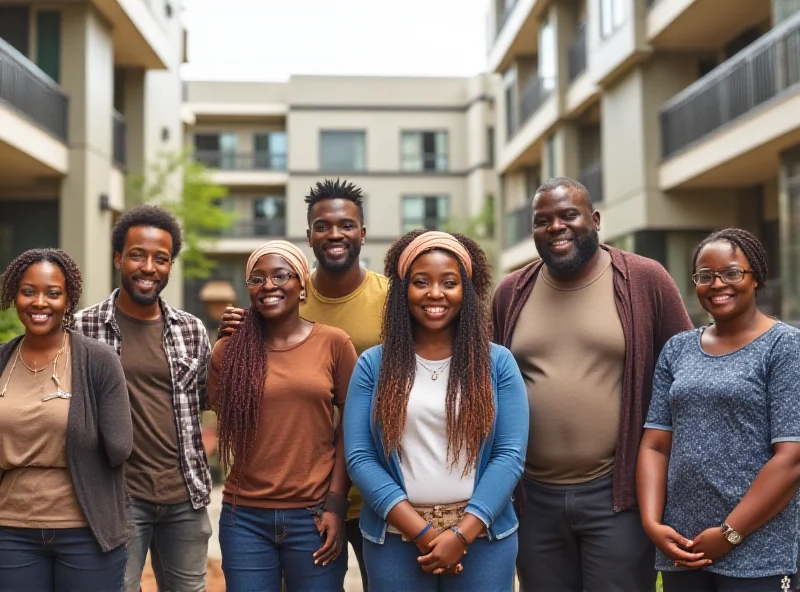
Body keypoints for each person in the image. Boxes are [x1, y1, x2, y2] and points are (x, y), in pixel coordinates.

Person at [492, 177, 694, 592]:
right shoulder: (511, 292)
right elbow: (488, 383)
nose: (556, 227)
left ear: (595, 219)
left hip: (617, 495)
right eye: (542, 220)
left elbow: (686, 371)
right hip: (532, 498)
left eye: (569, 215)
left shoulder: (644, 279)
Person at [219, 178, 387, 591]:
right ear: (309, 235)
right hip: (300, 497)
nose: (334, 234)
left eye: (346, 225)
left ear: (362, 233)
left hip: (378, 491)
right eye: (323, 226)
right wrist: (231, 332)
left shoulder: (391, 299)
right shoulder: (285, 291)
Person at [345, 230, 529, 592]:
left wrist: (460, 535)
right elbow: (360, 457)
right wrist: (425, 533)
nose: (435, 293)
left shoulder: (497, 363)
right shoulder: (373, 365)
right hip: (396, 539)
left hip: (484, 536)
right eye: (420, 282)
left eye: (449, 282)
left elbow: (509, 456)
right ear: (402, 290)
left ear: (467, 291)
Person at [638, 228, 800, 592]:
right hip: (685, 547)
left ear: (755, 276)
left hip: (760, 554)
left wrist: (729, 534)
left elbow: (791, 458)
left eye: (731, 273)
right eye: (705, 276)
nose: (717, 284)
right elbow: (655, 445)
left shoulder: (785, 347)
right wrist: (652, 524)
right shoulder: (678, 349)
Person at [74, 205, 213, 592]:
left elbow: (202, 404)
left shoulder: (192, 330)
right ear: (119, 257)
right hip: (117, 498)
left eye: (161, 259)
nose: (148, 267)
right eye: (137, 255)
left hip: (185, 496)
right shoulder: (82, 328)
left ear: (170, 266)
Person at [210, 240, 357, 592]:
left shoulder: (334, 343)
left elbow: (353, 428)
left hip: (313, 516)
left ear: (302, 283)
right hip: (243, 518)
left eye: (281, 276)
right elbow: (218, 410)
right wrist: (225, 345)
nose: (269, 286)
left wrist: (336, 506)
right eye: (257, 279)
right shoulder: (230, 348)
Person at [0, 249, 132, 591]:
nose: (39, 302)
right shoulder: (2, 360)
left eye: (52, 293)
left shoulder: (98, 361)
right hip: (11, 531)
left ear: (68, 299)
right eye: (28, 291)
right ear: (14, 296)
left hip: (87, 532)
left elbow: (120, 447)